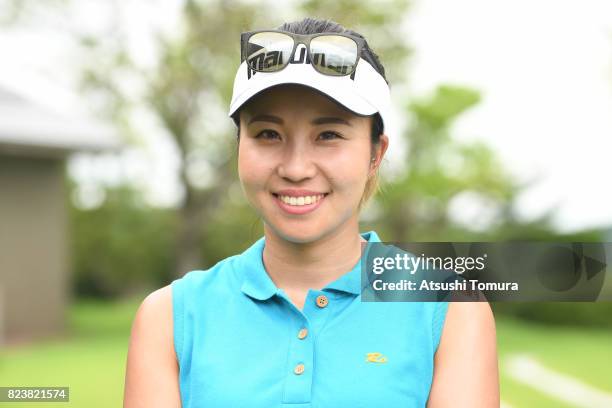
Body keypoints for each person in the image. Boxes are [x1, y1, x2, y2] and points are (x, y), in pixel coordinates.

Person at [124, 17, 499, 408]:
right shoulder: (169, 316)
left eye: (329, 135)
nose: (296, 167)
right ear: (239, 146)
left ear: (375, 154)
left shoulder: (449, 309)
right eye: (268, 134)